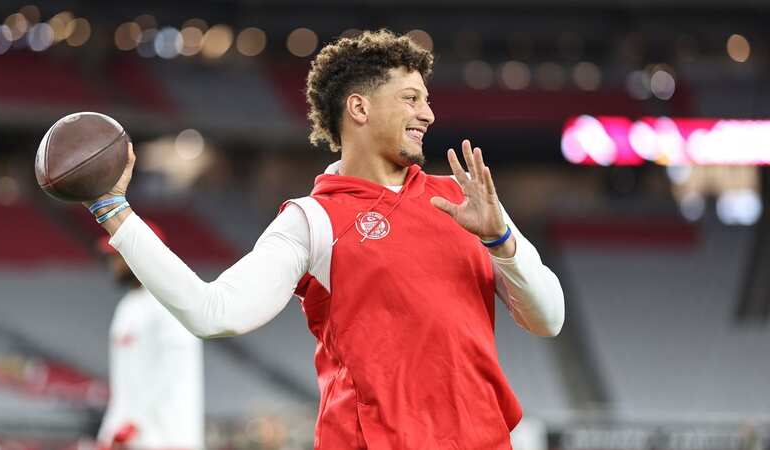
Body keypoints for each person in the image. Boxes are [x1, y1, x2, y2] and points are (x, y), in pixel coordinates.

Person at [84, 29, 564, 449]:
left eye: (427, 100)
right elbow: (214, 313)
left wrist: (501, 239)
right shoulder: (311, 220)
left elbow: (549, 319)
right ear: (359, 107)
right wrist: (114, 212)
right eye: (411, 98)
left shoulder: (466, 201)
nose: (429, 114)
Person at [95, 223, 204, 450]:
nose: (113, 264)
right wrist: (112, 428)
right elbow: (125, 383)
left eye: (118, 257)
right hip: (130, 434)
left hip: (169, 436)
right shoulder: (127, 307)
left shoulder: (172, 300)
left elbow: (172, 371)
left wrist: (136, 423)